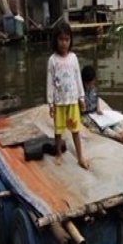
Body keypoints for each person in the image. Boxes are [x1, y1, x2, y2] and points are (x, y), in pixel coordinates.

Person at [46, 21, 90, 170]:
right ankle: (58, 153)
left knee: (75, 130)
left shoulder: (73, 58)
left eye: (67, 39)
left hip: (72, 101)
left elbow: (78, 78)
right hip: (59, 102)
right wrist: (50, 103)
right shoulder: (52, 60)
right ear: (55, 40)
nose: (64, 43)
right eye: (61, 39)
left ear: (70, 40)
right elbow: (50, 82)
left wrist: (81, 98)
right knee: (58, 131)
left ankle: (80, 157)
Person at [80, 65, 123, 144]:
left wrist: (98, 108)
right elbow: (80, 109)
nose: (90, 86)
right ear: (84, 82)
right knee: (101, 127)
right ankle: (120, 138)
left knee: (111, 123)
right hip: (86, 116)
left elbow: (96, 97)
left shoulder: (94, 88)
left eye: (92, 83)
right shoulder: (80, 91)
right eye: (88, 84)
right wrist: (82, 106)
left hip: (95, 113)